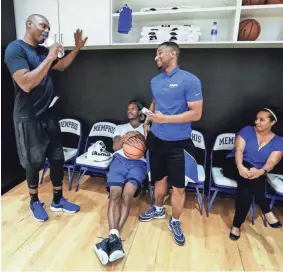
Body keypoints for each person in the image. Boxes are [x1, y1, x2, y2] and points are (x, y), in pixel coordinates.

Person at [4, 14, 88, 222]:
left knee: (58, 157)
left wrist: (76, 48)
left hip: (49, 114)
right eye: (43, 26)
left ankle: (58, 199)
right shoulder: (16, 49)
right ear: (29, 24)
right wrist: (50, 57)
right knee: (33, 163)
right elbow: (25, 83)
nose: (46, 30)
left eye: (48, 27)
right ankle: (34, 201)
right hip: (28, 116)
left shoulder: (42, 51)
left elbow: (61, 66)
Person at [139, 41, 203, 246]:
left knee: (178, 188)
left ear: (173, 53)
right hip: (156, 140)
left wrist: (165, 119)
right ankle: (158, 209)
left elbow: (196, 113)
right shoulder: (155, 81)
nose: (156, 57)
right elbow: (156, 101)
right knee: (158, 180)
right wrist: (148, 120)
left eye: (160, 53)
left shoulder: (190, 80)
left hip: (179, 144)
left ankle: (175, 221)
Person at [94, 100, 147, 265]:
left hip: (138, 163)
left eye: (133, 108)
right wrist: (126, 138)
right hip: (119, 161)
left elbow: (147, 147)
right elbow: (116, 147)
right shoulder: (120, 128)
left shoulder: (146, 128)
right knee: (115, 195)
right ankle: (114, 237)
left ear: (140, 112)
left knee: (127, 196)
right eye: (128, 108)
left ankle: (111, 238)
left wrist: (139, 137)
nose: (129, 111)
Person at [223, 108, 283, 240]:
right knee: (252, 180)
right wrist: (240, 166)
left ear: (272, 122)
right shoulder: (248, 130)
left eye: (262, 119)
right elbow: (239, 150)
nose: (257, 122)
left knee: (246, 190)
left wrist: (261, 171)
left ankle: (236, 225)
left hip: (255, 173)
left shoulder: (279, 141)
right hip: (233, 164)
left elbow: (272, 162)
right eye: (256, 119)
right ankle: (266, 210)